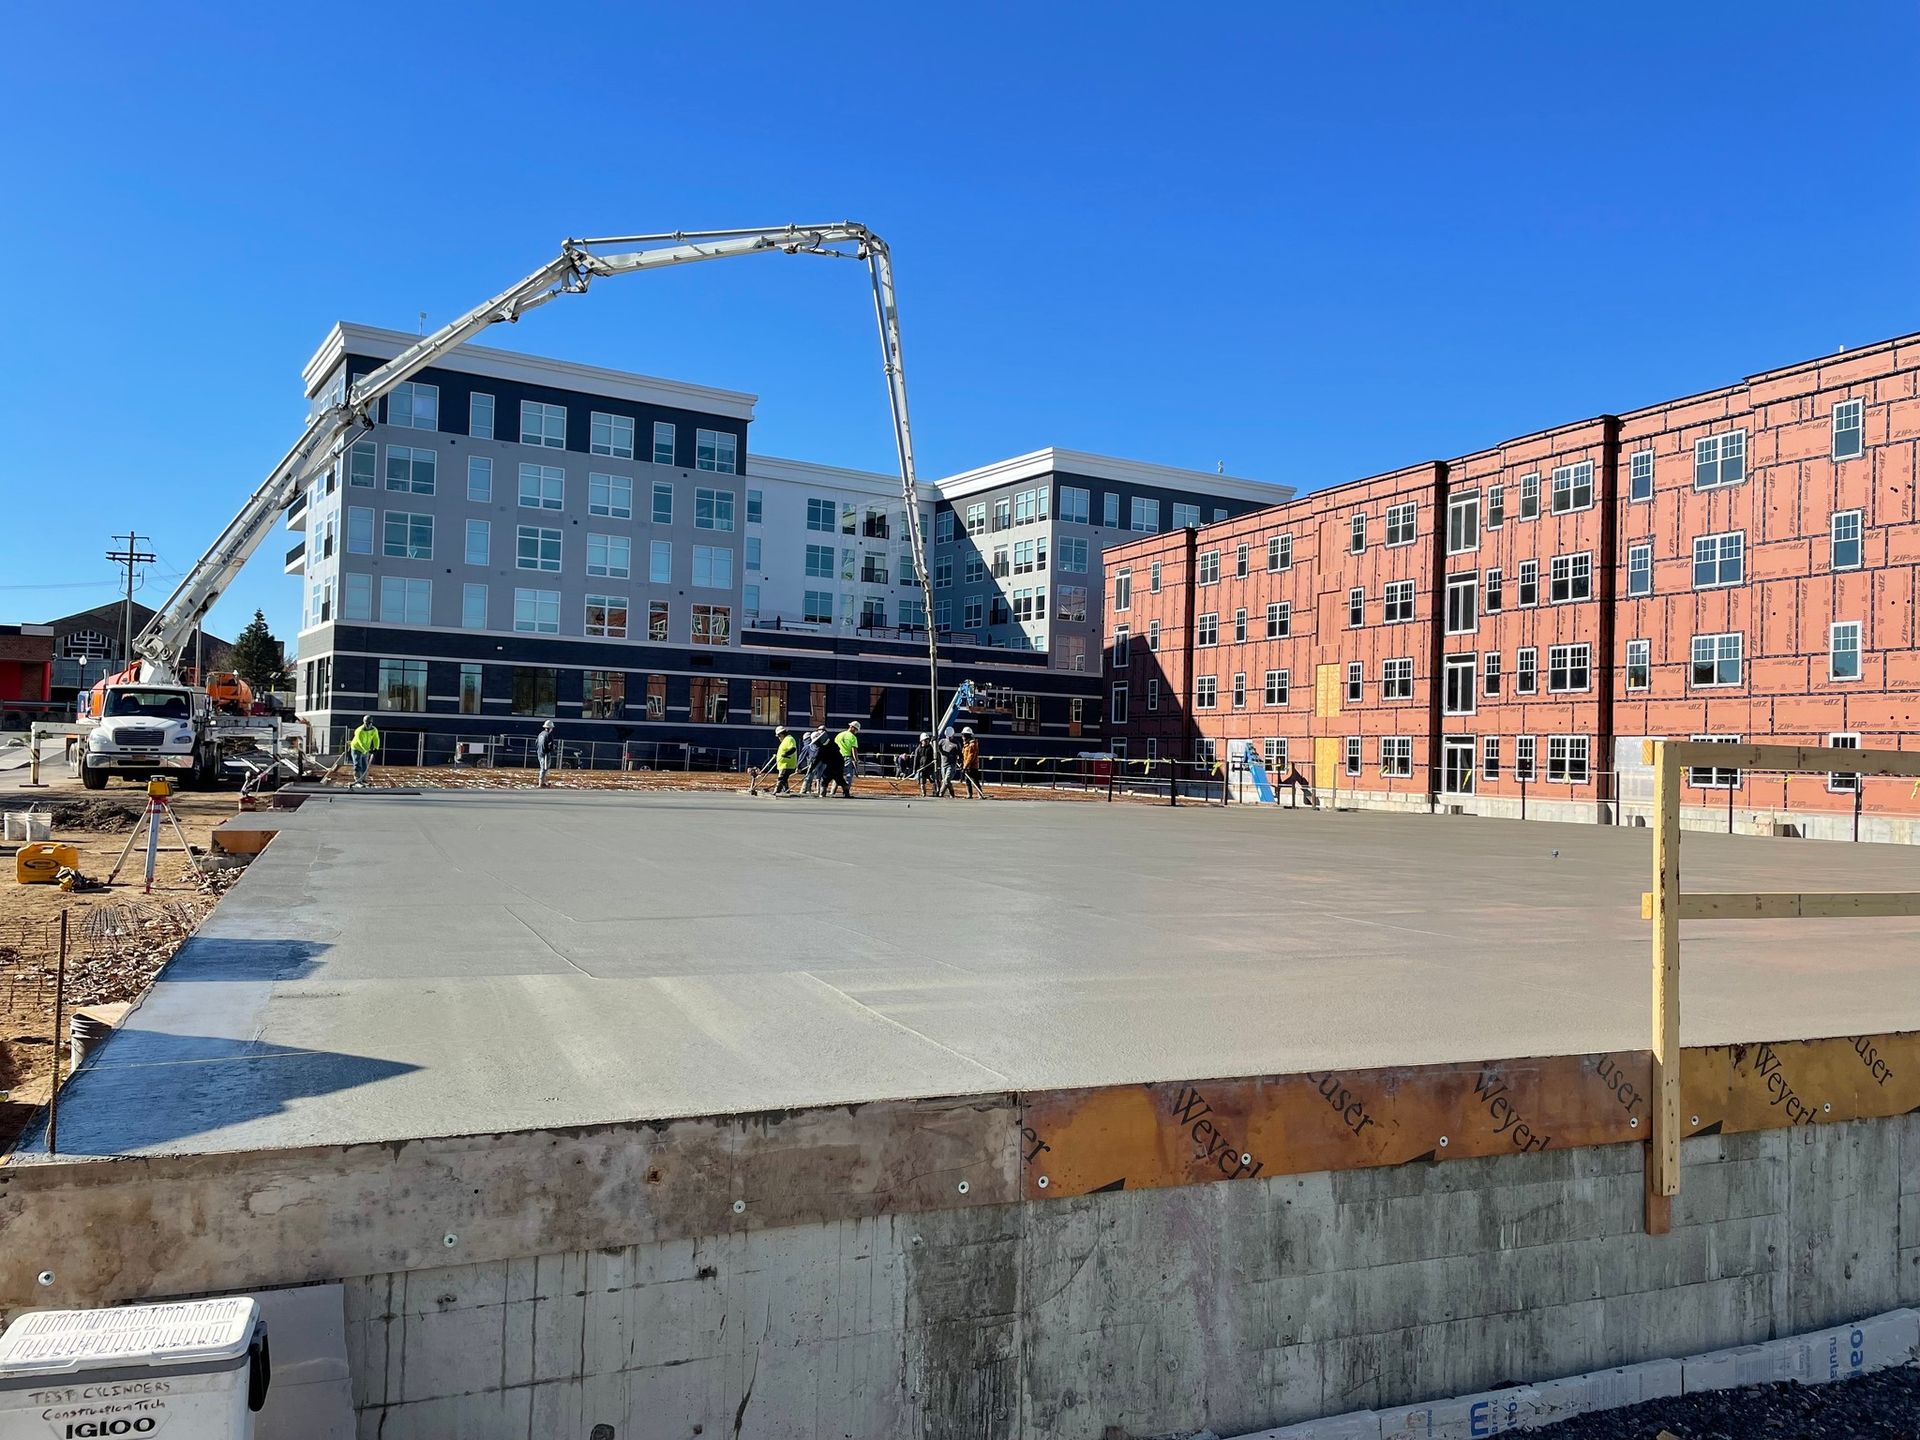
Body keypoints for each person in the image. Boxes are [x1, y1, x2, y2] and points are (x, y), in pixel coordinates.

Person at [831, 719, 862, 798]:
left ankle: (832, 792)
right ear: (852, 727)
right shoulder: (852, 737)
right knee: (848, 776)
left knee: (837, 775)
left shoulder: (839, 735)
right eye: (856, 730)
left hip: (837, 758)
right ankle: (846, 793)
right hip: (847, 758)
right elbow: (854, 750)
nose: (856, 731)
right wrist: (856, 760)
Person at [348, 715, 380, 788]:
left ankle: (363, 780)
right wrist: (368, 750)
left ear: (371, 723)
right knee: (357, 764)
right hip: (356, 748)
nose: (367, 725)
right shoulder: (359, 730)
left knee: (365, 765)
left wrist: (376, 748)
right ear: (364, 722)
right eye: (366, 723)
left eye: (369, 723)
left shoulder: (374, 730)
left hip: (365, 750)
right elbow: (360, 742)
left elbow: (376, 739)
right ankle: (357, 781)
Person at [800, 724, 828, 796]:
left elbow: (804, 755)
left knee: (810, 775)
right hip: (822, 760)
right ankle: (820, 792)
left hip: (817, 760)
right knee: (820, 776)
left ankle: (804, 790)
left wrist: (798, 766)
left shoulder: (812, 743)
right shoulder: (824, 739)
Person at [770, 725, 799, 795]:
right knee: (784, 779)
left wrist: (786, 754)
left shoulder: (789, 739)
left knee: (781, 778)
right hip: (783, 764)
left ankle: (776, 791)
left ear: (782, 734)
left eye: (779, 736)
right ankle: (786, 790)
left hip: (787, 764)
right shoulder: (785, 740)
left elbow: (793, 749)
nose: (779, 738)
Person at [959, 727, 985, 798]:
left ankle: (980, 794)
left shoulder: (972, 745)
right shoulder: (966, 745)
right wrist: (962, 763)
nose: (962, 737)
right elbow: (964, 756)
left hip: (972, 766)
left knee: (975, 780)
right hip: (966, 765)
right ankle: (969, 794)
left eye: (963, 735)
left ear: (967, 736)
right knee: (967, 780)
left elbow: (970, 757)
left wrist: (965, 766)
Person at [937, 727, 963, 796]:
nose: (948, 738)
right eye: (947, 736)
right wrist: (934, 741)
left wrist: (960, 762)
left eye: (950, 736)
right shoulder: (942, 742)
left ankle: (940, 793)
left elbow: (960, 755)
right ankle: (952, 793)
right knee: (946, 781)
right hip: (943, 764)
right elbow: (937, 749)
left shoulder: (956, 744)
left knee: (946, 780)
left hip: (951, 765)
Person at [911, 731, 938, 796]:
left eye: (927, 740)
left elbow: (935, 755)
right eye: (925, 740)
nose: (927, 742)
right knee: (922, 783)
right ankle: (923, 794)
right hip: (922, 769)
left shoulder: (931, 748)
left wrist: (934, 761)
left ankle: (935, 792)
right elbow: (916, 760)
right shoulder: (918, 749)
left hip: (930, 768)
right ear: (921, 741)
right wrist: (914, 770)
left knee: (934, 780)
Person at [536, 719, 559, 787]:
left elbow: (536, 743)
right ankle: (541, 783)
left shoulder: (541, 734)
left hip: (539, 752)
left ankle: (542, 782)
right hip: (545, 753)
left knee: (542, 767)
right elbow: (550, 745)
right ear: (550, 728)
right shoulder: (549, 735)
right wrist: (553, 749)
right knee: (544, 768)